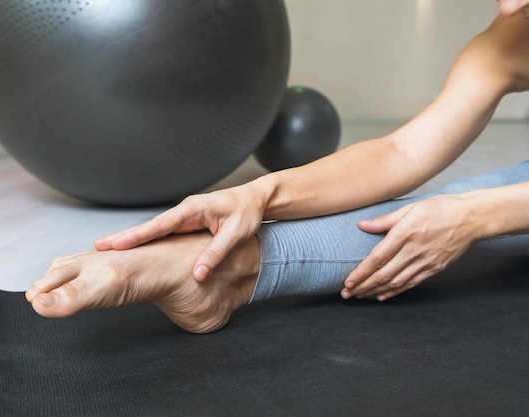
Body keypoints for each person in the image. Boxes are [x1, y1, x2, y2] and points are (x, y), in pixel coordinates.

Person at [26, 1, 529, 334]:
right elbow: (404, 154)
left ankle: (227, 273)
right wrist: (258, 195)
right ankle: (214, 272)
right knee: (450, 205)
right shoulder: (513, 32)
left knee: (476, 202)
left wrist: (475, 215)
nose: (509, 5)